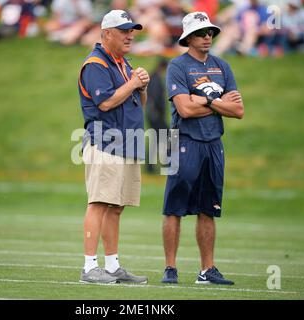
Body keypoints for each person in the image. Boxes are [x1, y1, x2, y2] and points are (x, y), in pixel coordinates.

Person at [162, 12, 244, 285]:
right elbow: (184, 109)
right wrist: (217, 100)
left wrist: (206, 100)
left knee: (208, 208)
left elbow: (238, 110)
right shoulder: (177, 66)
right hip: (181, 141)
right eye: (200, 33)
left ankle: (206, 270)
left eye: (210, 32)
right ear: (188, 38)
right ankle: (170, 268)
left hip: (213, 143)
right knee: (174, 208)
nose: (207, 36)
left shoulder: (223, 66)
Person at [77, 9, 150, 284]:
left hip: (126, 143)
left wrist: (140, 88)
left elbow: (137, 106)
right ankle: (88, 267)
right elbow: (105, 102)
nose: (130, 35)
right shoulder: (96, 63)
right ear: (107, 33)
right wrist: (133, 82)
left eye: (132, 30)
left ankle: (111, 266)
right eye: (124, 30)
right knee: (98, 202)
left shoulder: (122, 63)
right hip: (105, 141)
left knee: (116, 206)